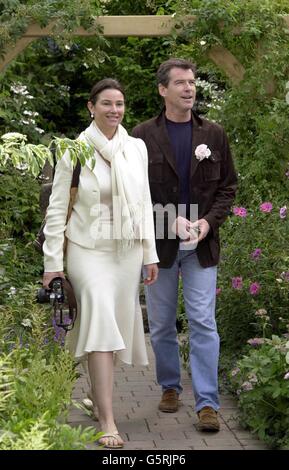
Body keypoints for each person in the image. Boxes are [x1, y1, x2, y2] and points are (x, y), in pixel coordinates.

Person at [42, 78, 159, 448]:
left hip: (125, 252)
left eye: (120, 104)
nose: (114, 110)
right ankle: (108, 420)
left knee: (104, 329)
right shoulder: (73, 151)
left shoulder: (135, 148)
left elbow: (143, 203)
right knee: (101, 318)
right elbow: (58, 208)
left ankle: (98, 398)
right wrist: (52, 264)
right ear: (91, 107)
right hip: (87, 251)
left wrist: (149, 253)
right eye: (106, 103)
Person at [132, 58, 237, 432]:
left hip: (201, 248)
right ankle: (170, 387)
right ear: (163, 90)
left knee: (203, 322)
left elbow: (228, 188)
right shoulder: (141, 136)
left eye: (192, 82)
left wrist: (208, 223)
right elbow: (133, 195)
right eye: (180, 83)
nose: (189, 88)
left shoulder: (214, 134)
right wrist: (166, 218)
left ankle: (207, 403)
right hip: (159, 249)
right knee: (160, 324)